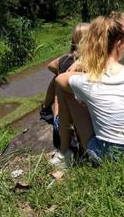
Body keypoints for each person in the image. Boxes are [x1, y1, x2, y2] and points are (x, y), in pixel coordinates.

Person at [56, 16, 124, 165]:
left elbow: (60, 79)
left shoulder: (87, 80)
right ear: (120, 42)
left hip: (111, 156)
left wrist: (82, 64)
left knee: (67, 91)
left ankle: (65, 152)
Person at [39, 23, 90, 162]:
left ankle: (45, 108)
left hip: (61, 128)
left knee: (59, 81)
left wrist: (61, 72)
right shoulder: (94, 63)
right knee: (62, 82)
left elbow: (50, 66)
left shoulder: (65, 60)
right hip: (87, 125)